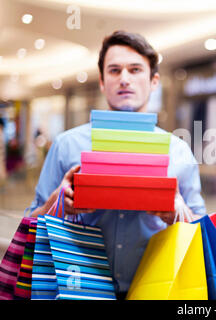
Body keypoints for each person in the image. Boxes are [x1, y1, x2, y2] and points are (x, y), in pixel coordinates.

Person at [27, 31, 206, 298]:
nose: (124, 79)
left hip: (153, 289)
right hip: (78, 288)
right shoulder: (66, 145)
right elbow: (30, 227)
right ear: (101, 81)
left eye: (135, 70)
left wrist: (177, 213)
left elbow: (203, 237)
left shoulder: (179, 151)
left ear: (154, 80)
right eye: (114, 70)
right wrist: (58, 202)